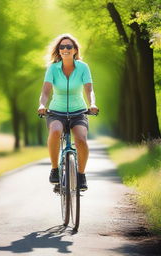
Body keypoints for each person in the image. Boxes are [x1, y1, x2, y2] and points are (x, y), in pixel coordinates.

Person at [37, 33, 99, 191]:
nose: (65, 49)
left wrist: (92, 103)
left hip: (78, 111)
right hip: (56, 111)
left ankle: (81, 174)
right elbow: (45, 92)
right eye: (62, 47)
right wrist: (42, 105)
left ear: (75, 50)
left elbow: (89, 89)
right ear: (58, 50)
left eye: (69, 46)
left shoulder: (83, 67)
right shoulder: (53, 68)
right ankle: (54, 169)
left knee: (81, 139)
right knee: (55, 131)